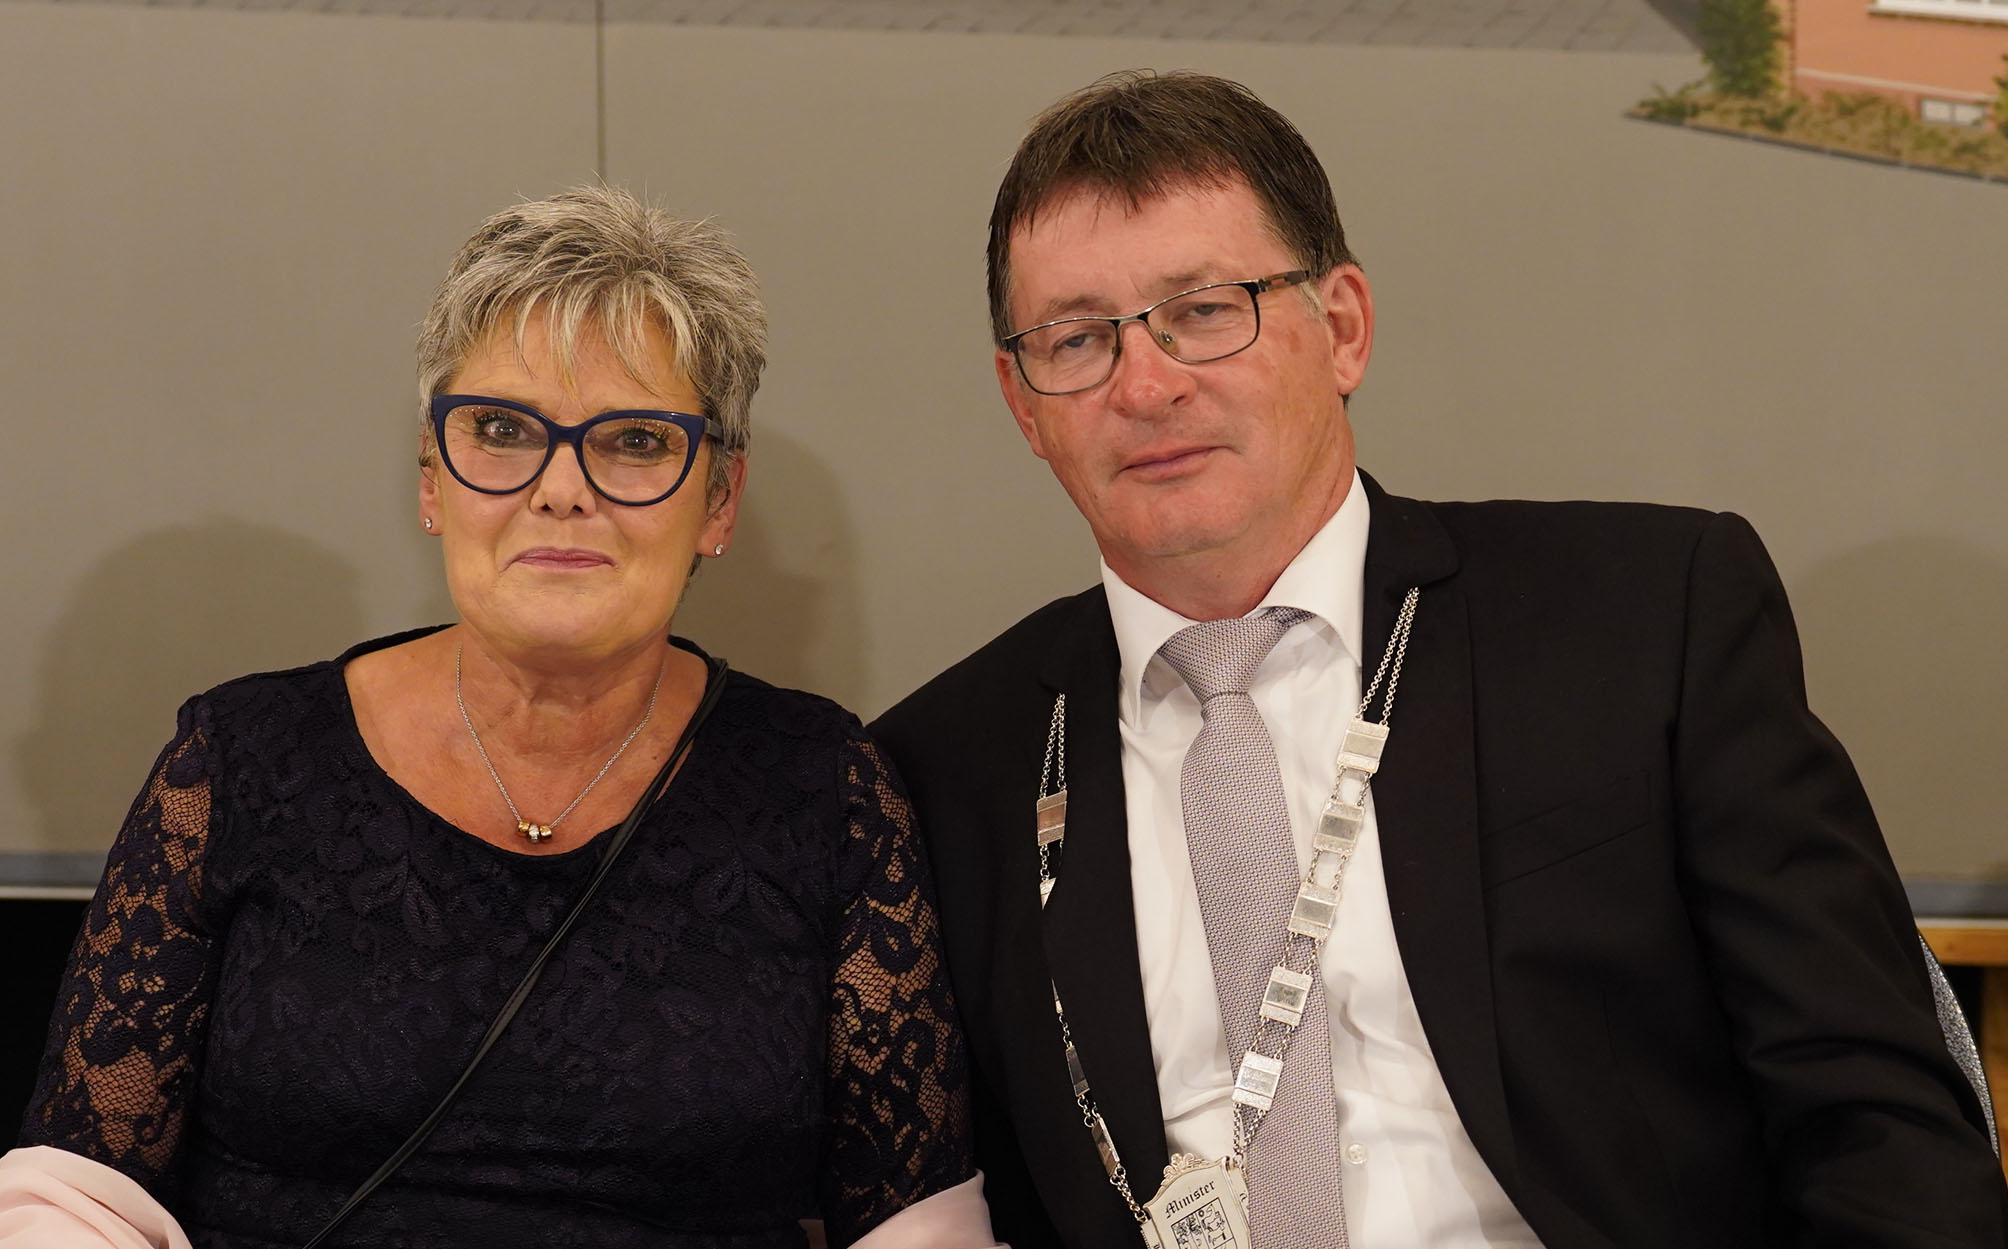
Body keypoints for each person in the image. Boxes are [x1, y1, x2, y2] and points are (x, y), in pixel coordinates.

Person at [871, 71, 2008, 1249]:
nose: (1146, 384)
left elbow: (1876, 1122)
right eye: (1075, 339)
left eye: (1203, 310)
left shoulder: (1641, 622)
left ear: (1343, 328)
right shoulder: (940, 772)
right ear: (1023, 402)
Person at [1, 187, 997, 1249]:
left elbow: (917, 1226)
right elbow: (74, 1199)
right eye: (503, 429)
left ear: (719, 499)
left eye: (636, 440)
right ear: (432, 481)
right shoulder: (239, 763)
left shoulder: (826, 789)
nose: (561, 488)